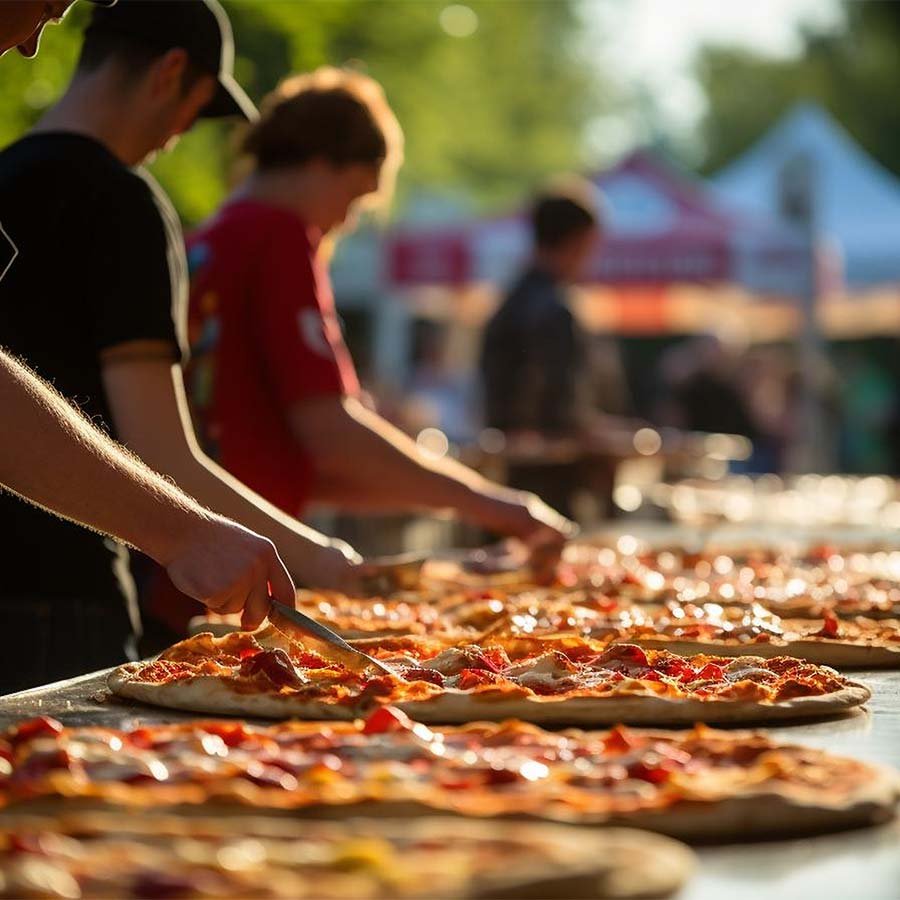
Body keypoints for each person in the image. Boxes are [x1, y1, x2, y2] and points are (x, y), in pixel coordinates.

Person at [0, 0, 364, 689]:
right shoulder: (126, 206)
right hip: (63, 595)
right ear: (171, 74)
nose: (180, 135)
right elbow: (164, 452)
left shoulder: (4, 173)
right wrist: (304, 553)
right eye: (196, 109)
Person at [185, 68, 573, 546]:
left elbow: (296, 463)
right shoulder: (278, 236)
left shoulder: (211, 237)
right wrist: (490, 503)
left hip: (200, 556)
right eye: (355, 197)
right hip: (231, 567)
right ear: (321, 163)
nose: (346, 223)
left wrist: (455, 495)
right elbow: (332, 437)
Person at [479, 179, 603, 517]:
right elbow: (562, 407)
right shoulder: (554, 310)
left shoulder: (508, 302)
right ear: (577, 242)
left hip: (502, 480)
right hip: (548, 483)